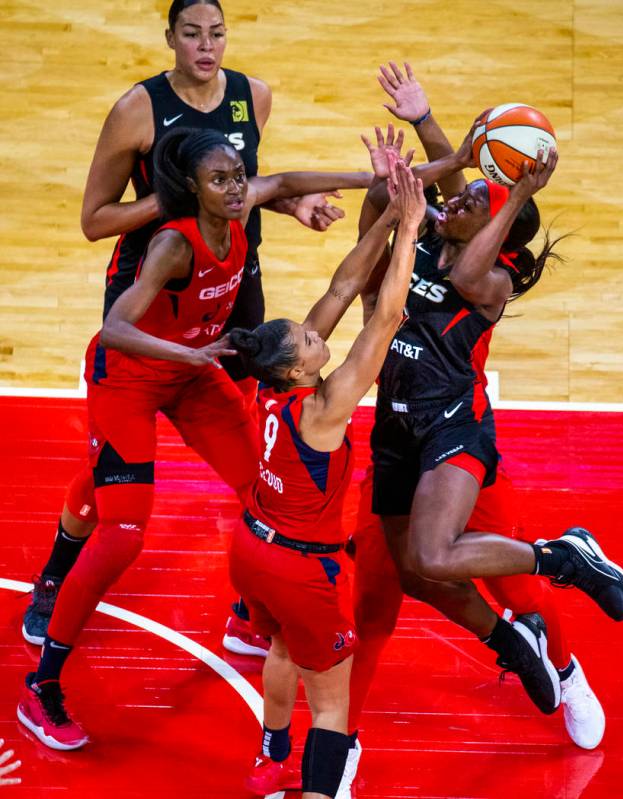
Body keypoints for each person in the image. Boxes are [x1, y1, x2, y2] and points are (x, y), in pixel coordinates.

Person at [17, 127, 373, 752]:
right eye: (220, 180)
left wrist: (390, 182)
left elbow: (287, 183)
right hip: (128, 378)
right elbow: (117, 328)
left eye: (238, 176)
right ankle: (41, 685)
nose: (236, 188)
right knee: (123, 533)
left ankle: (251, 619)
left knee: (263, 490)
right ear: (190, 188)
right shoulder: (172, 247)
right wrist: (194, 351)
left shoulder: (236, 212)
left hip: (191, 374)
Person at [339, 66, 623, 793]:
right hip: (396, 436)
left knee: (512, 585)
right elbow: (452, 183)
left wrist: (514, 188)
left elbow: (473, 242)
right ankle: (341, 736)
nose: (458, 201)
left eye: (475, 202)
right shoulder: (435, 231)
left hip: (459, 438)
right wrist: (431, 125)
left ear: (495, 228)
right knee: (386, 588)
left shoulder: (488, 279)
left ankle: (566, 668)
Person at [22, 0, 343, 653]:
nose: (206, 46)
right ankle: (59, 572)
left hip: (231, 290)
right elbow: (95, 220)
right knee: (113, 464)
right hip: (155, 290)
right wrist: (174, 202)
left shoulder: (252, 96)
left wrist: (295, 203)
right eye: (191, 34)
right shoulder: (137, 109)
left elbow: (244, 185)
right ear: (169, 38)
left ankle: (254, 606)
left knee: (259, 463)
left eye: (216, 33)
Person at [227, 152, 426, 799]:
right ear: (298, 370)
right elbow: (386, 317)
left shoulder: (271, 386)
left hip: (252, 549)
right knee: (335, 706)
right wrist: (412, 230)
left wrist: (387, 215)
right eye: (309, 343)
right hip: (300, 566)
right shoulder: (324, 408)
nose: (318, 339)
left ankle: (269, 750)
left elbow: (343, 289)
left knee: (284, 648)